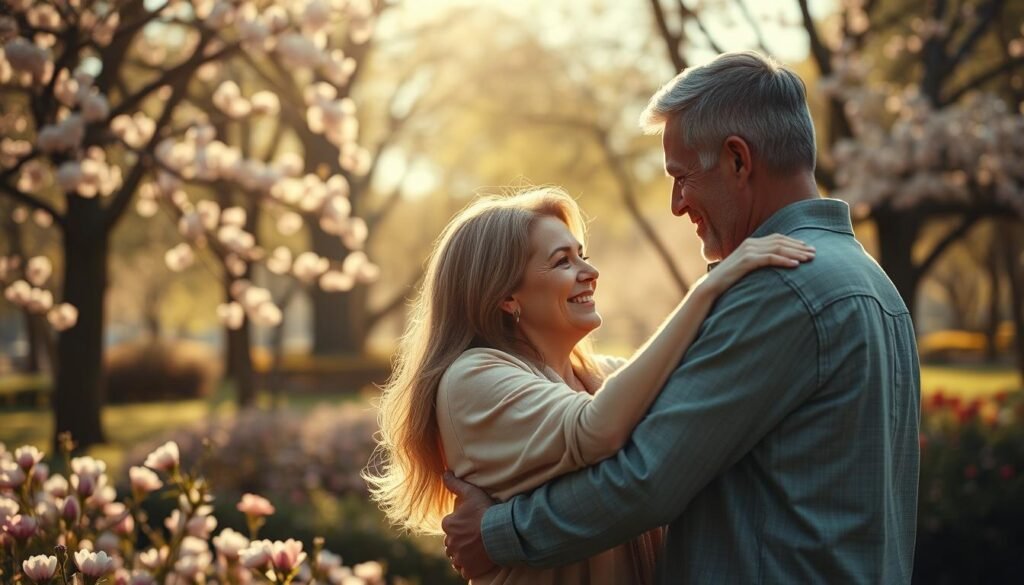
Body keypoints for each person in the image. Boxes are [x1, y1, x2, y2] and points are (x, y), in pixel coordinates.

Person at [440, 51, 921, 584]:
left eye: (682, 176)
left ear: (739, 160)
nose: (675, 204)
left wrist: (497, 534)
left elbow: (646, 479)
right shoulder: (872, 283)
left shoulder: (778, 287)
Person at [364, 185, 814, 584]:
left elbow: (684, 387)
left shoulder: (595, 376)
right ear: (506, 296)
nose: (589, 271)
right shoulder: (474, 378)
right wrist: (706, 291)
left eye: (582, 254)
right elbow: (593, 431)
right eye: (563, 261)